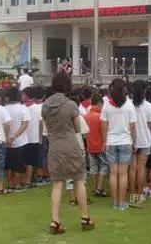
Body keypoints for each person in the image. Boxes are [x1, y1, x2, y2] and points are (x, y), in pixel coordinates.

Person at [41, 73, 94, 234]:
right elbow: (78, 128)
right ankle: (85, 218)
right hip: (71, 145)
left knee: (57, 184)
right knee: (78, 180)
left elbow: (47, 126)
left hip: (55, 146)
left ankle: (55, 221)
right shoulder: (71, 105)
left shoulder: (45, 106)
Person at [101, 78, 137, 211]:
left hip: (111, 142)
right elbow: (133, 126)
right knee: (123, 174)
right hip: (126, 141)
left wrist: (104, 141)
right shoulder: (129, 105)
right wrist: (134, 141)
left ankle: (115, 202)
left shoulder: (106, 105)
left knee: (113, 173)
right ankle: (121, 203)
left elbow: (103, 126)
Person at [129, 80, 151, 208]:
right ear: (145, 90)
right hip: (144, 140)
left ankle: (133, 194)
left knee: (133, 168)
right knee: (141, 168)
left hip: (131, 140)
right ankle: (139, 196)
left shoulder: (128, 104)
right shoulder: (149, 106)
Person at [4, 87, 31, 191]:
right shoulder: (23, 108)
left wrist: (7, 137)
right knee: (18, 164)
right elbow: (25, 125)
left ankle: (10, 182)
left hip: (6, 141)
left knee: (8, 164)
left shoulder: (4, 108)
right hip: (20, 141)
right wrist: (15, 136)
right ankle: (17, 184)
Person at [84, 93, 108, 197]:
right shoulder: (100, 117)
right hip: (100, 145)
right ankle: (99, 188)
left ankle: (95, 188)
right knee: (103, 166)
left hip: (90, 146)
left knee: (93, 167)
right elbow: (105, 131)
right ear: (99, 104)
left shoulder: (85, 116)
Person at [23, 87, 43, 187]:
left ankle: (28, 180)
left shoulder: (37, 108)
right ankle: (28, 179)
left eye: (23, 94)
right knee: (28, 161)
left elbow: (41, 123)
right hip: (27, 137)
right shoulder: (23, 107)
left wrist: (40, 138)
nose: (22, 96)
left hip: (32, 137)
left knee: (30, 161)